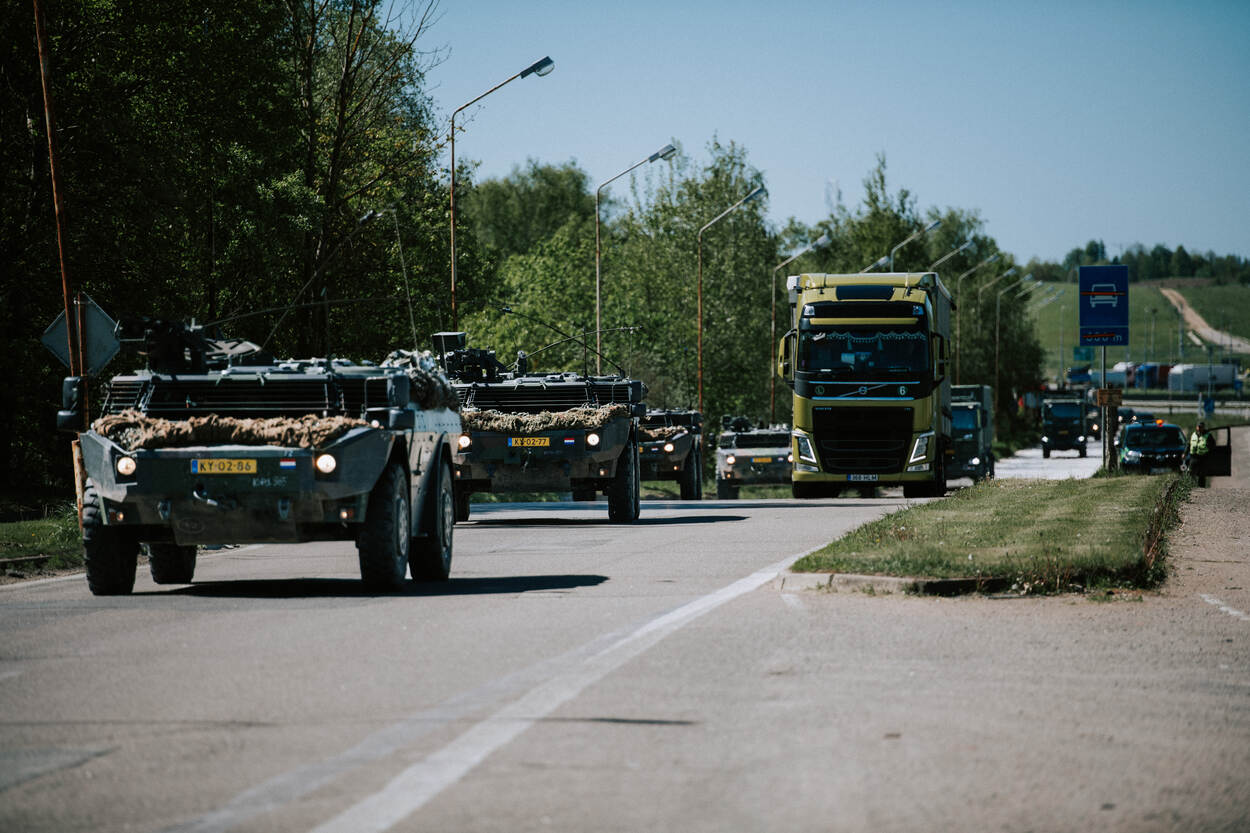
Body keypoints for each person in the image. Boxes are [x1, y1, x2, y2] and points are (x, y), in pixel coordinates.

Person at [1188, 421, 1211, 486]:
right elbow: (1189, 444)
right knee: (1191, 472)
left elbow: (1212, 445)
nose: (1199, 428)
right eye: (1198, 427)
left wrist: (1208, 448)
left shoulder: (1208, 435)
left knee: (1202, 474)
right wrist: (1184, 453)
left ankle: (1201, 488)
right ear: (1196, 427)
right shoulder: (1193, 435)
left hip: (1202, 457)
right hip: (1193, 456)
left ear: (1203, 427)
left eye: (1201, 427)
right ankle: (1191, 486)